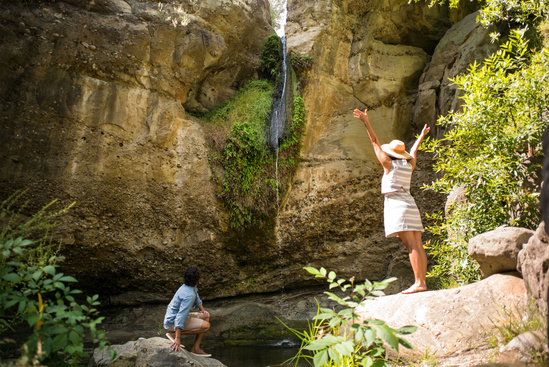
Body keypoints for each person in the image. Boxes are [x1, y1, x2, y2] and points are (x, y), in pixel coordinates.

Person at [354, 108, 430, 294]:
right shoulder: (408, 164)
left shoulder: (388, 164)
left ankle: (418, 283)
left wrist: (366, 122)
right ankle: (422, 282)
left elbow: (374, 141)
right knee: (418, 244)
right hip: (411, 204)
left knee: (410, 245)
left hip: (397, 205)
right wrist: (420, 137)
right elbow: (413, 151)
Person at [163, 265, 211, 357]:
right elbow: (180, 316)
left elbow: (196, 295)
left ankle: (195, 348)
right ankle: (172, 334)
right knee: (206, 326)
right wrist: (177, 338)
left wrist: (203, 311)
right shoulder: (188, 295)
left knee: (206, 316)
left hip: (173, 318)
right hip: (172, 322)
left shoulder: (188, 286)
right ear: (198, 279)